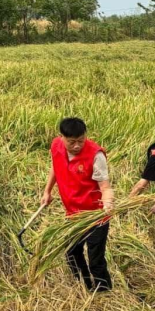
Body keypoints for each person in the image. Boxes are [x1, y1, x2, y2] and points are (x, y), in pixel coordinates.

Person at [41, 117, 115, 291]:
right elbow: (55, 167)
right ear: (62, 137)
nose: (77, 146)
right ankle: (85, 285)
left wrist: (108, 204)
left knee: (95, 259)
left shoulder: (95, 155)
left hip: (95, 216)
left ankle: (104, 292)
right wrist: (47, 191)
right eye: (72, 142)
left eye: (81, 141)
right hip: (73, 214)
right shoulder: (56, 146)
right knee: (72, 253)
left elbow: (105, 187)